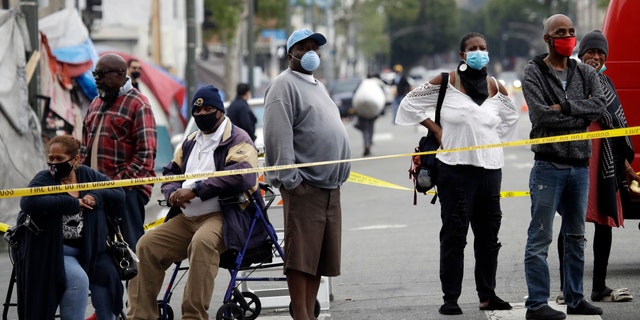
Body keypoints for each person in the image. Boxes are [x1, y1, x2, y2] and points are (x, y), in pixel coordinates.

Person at [395, 32, 518, 315]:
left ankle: (488, 295)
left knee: (489, 238)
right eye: (472, 49)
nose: (479, 53)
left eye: (483, 48)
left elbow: (510, 120)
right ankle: (450, 297)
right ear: (462, 55)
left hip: (490, 172)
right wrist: (435, 129)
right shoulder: (446, 82)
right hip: (454, 171)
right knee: (454, 236)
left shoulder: (497, 88)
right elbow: (408, 104)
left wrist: (488, 140)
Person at [127, 84, 260, 320]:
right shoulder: (189, 142)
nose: (201, 115)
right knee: (147, 245)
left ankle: (193, 315)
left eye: (207, 109)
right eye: (196, 111)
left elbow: (241, 176)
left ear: (219, 111)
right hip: (186, 219)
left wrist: (197, 190)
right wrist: (172, 192)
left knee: (203, 242)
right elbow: (170, 173)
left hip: (224, 215)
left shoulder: (238, 138)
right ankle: (141, 315)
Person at [522, 14, 607, 320]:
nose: (568, 36)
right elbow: (542, 117)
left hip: (580, 167)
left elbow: (599, 105)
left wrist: (568, 107)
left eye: (571, 31)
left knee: (575, 237)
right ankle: (537, 304)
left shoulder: (584, 72)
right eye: (561, 32)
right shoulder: (533, 73)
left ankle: (575, 298)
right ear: (547, 38)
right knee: (540, 238)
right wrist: (579, 116)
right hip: (549, 166)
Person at [263, 29, 351, 320]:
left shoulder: (318, 85)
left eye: (315, 47)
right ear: (291, 53)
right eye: (303, 47)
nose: (311, 52)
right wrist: (292, 181)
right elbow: (278, 135)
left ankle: (309, 311)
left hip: (329, 187)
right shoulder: (283, 86)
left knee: (319, 257)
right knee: (301, 257)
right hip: (305, 186)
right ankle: (300, 312)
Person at [555, 30, 636, 305]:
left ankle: (598, 287)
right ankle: (567, 288)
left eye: (601, 53)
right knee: (570, 225)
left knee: (605, 224)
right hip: (578, 162)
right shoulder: (572, 80)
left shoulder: (607, 83)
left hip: (607, 164)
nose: (596, 57)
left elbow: (618, 126)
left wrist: (626, 166)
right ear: (581, 53)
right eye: (591, 52)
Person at [16, 135, 125, 320]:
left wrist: (95, 197)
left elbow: (118, 191)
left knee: (108, 278)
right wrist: (72, 203)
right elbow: (28, 202)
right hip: (57, 252)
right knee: (78, 280)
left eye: (59, 159)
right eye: (51, 158)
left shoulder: (87, 175)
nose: (54, 163)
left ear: (75, 160)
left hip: (91, 251)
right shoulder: (44, 178)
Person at [82, 53, 157, 250]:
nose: (97, 79)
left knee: (132, 249)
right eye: (95, 74)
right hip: (96, 192)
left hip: (127, 191)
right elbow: (84, 147)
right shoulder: (95, 103)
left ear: (121, 74)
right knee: (98, 250)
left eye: (102, 74)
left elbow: (146, 153)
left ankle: (138, 282)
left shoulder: (138, 103)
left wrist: (123, 184)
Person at [353, 74, 386, 156]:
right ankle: (369, 144)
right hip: (373, 111)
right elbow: (381, 95)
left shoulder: (362, 84)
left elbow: (355, 94)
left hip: (362, 112)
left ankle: (367, 145)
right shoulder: (375, 84)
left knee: (365, 129)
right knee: (370, 128)